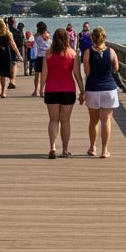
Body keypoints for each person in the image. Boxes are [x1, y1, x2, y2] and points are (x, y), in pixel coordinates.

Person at [43, 28, 85, 159]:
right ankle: (65, 150)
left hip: (51, 90)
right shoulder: (72, 54)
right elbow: (77, 75)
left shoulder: (48, 54)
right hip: (68, 90)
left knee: (53, 120)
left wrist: (40, 88)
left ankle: (52, 147)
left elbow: (44, 74)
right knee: (65, 121)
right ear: (67, 38)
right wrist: (82, 91)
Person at [83, 26, 120, 158]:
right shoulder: (111, 51)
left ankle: (93, 148)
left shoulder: (88, 52)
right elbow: (116, 68)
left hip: (93, 88)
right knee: (106, 121)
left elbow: (87, 72)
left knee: (93, 121)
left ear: (92, 38)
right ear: (104, 37)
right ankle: (104, 150)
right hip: (109, 89)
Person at [30, 21, 51, 97]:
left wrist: (34, 57)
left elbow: (35, 47)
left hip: (39, 57)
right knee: (44, 75)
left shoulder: (37, 37)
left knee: (37, 75)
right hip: (47, 57)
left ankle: (36, 91)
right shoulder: (48, 35)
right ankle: (44, 90)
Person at [7, 17, 24, 89]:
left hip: (6, 49)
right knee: (14, 65)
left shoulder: (6, 31)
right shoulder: (18, 31)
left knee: (8, 65)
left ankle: (9, 80)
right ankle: (12, 81)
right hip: (14, 49)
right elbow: (21, 41)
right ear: (14, 23)